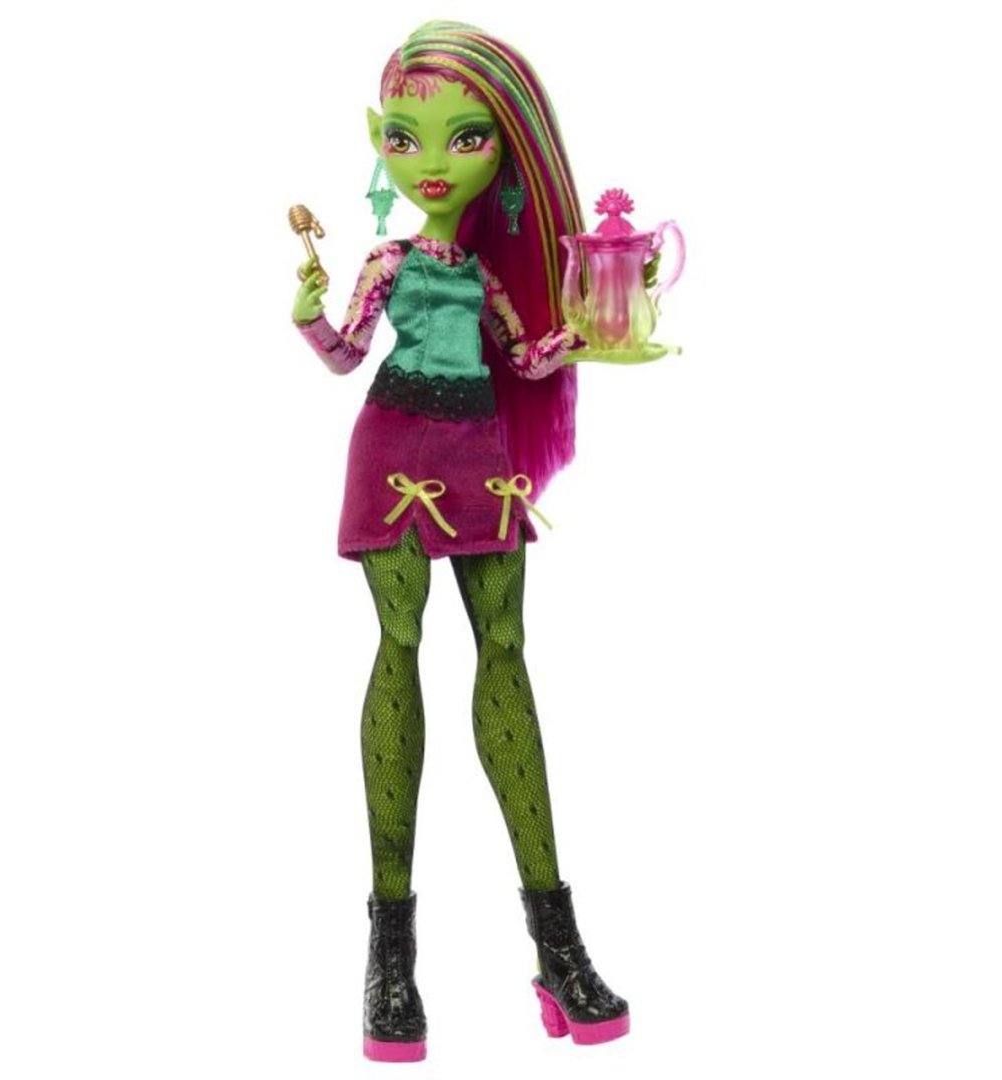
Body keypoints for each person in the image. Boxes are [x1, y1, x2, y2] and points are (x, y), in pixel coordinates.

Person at [292, 20, 639, 1061]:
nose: (433, 161)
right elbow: (347, 353)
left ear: (506, 152)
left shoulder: (483, 275)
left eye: (466, 138)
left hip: (478, 452)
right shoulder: (388, 259)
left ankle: (556, 938)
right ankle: (389, 950)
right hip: (395, 443)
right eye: (406, 138)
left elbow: (525, 355)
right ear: (379, 140)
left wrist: (597, 334)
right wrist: (308, 314)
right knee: (400, 643)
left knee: (506, 649)